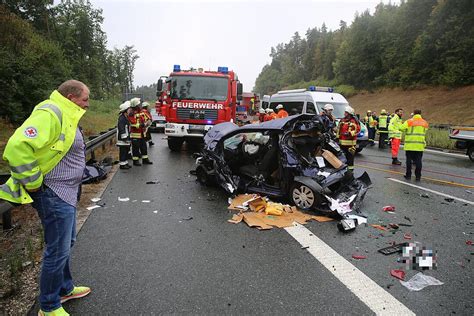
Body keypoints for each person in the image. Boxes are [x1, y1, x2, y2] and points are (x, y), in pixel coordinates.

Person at [0, 80, 92, 315]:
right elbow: (17, 147)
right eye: (85, 99)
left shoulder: (68, 114)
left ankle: (65, 288)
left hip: (67, 192)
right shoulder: (51, 112)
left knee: (67, 242)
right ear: (71, 97)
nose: (88, 103)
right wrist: (34, 184)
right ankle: (49, 306)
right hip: (53, 192)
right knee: (57, 250)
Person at [399, 109, 429, 181]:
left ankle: (408, 175)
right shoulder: (425, 122)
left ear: (414, 114)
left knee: (408, 161)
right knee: (418, 161)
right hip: (419, 145)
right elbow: (425, 131)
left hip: (410, 145)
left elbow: (401, 128)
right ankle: (418, 176)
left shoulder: (409, 121)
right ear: (420, 114)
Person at [128, 98, 153, 165]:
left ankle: (145, 159)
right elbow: (132, 123)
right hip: (135, 134)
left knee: (144, 147)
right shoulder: (131, 113)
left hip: (142, 134)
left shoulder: (141, 112)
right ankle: (135, 161)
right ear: (135, 105)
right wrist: (141, 125)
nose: (140, 105)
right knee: (135, 149)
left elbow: (147, 118)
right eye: (138, 104)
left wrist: (148, 122)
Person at [336, 106, 360, 171]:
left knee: (350, 158)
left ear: (349, 113)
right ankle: (343, 170)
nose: (344, 114)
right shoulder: (342, 120)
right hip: (341, 143)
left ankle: (350, 171)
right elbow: (338, 129)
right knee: (342, 157)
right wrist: (337, 138)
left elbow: (357, 130)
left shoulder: (354, 121)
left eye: (346, 112)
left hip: (350, 144)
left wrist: (350, 133)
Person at [117, 101, 132, 170]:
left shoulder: (126, 117)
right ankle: (122, 164)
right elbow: (121, 129)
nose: (130, 111)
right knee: (123, 152)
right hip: (123, 138)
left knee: (126, 151)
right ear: (125, 111)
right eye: (129, 110)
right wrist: (124, 137)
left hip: (126, 138)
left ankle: (125, 163)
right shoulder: (122, 118)